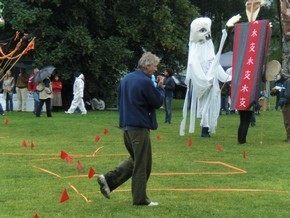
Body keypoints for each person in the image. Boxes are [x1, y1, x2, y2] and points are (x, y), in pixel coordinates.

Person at [97, 52, 164, 206]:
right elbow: (157, 102)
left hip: (126, 126)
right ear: (147, 66)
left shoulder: (126, 79)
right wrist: (160, 88)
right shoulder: (145, 81)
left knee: (137, 160)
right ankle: (140, 199)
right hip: (139, 128)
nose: (156, 69)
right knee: (142, 164)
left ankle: (108, 180)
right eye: (154, 66)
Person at [279, 75, 290, 142]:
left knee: (287, 122)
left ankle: (289, 138)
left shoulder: (288, 81)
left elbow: (288, 94)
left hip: (288, 104)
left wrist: (283, 101)